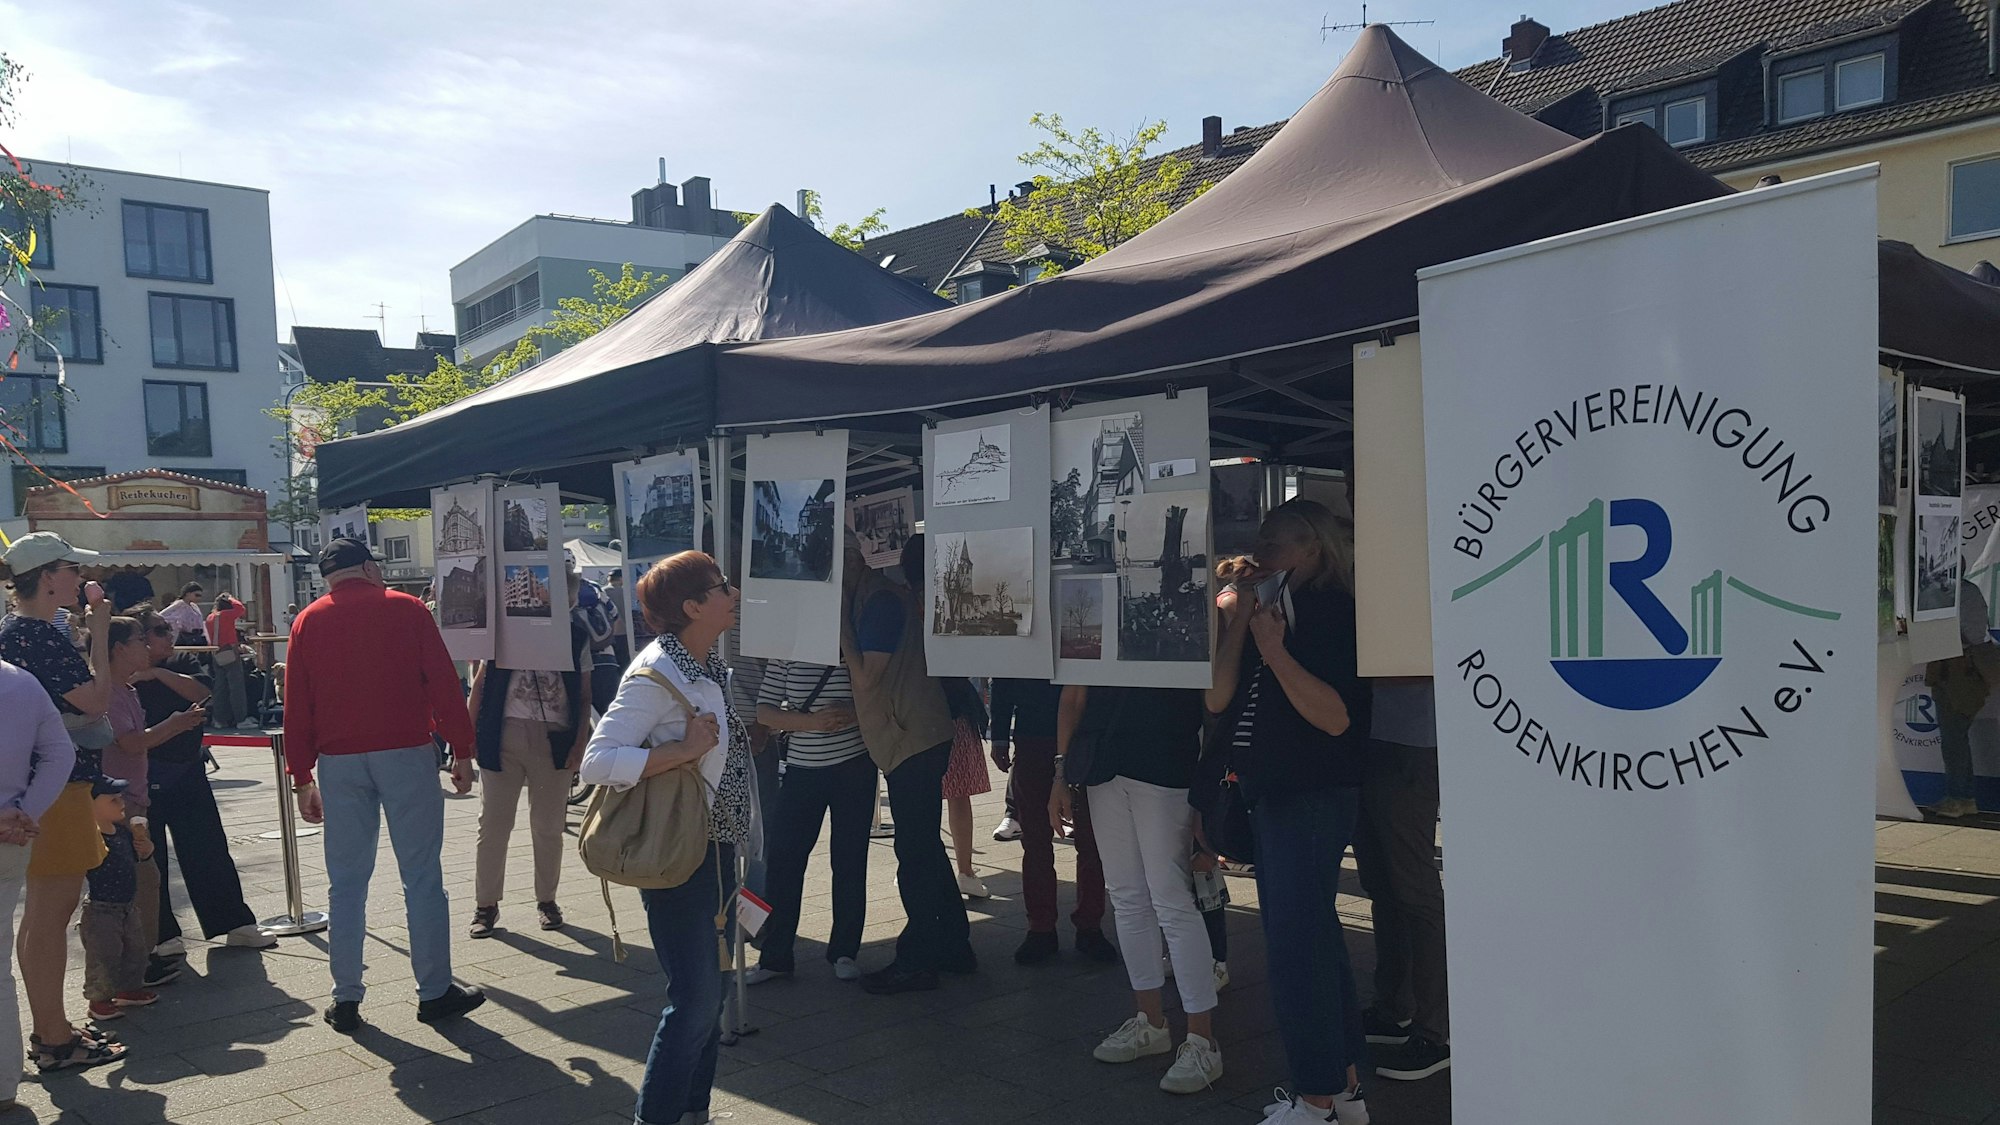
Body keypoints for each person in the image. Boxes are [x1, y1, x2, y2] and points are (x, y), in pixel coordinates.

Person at [1205, 499, 1372, 1125]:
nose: (1258, 552)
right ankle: (1343, 1086)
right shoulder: (1276, 608)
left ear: (1310, 548)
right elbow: (1219, 698)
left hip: (1309, 791)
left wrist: (1274, 648)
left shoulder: (1329, 612)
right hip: (1278, 788)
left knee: (1296, 945)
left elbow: (1335, 716)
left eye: (1272, 543)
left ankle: (1318, 1097)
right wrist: (1244, 619)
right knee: (1316, 939)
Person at [285, 537, 485, 1034]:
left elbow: (297, 704)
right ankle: (434, 990)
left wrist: (301, 776)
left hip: (338, 760)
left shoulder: (308, 620)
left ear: (328, 578)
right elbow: (443, 682)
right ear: (371, 569)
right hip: (405, 752)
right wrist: (462, 750)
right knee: (421, 875)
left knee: (346, 882)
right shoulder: (409, 609)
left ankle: (346, 996)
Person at [579, 551, 752, 1125]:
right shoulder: (656, 674)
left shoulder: (701, 665)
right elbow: (596, 762)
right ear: (693, 607)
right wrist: (679, 751)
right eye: (721, 586)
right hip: (678, 852)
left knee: (717, 992)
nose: (733, 592)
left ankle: (690, 1114)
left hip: (718, 845)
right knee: (696, 999)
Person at [1, 533, 132, 1072]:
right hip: (56, 788)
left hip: (35, 787)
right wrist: (99, 636)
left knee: (40, 914)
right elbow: (99, 699)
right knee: (52, 913)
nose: (79, 579)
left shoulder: (16, 632)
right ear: (48, 577)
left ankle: (50, 1027)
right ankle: (53, 1036)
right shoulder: (37, 636)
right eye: (71, 569)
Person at [1059, 685, 1221, 1093]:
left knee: (1171, 900)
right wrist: (1060, 773)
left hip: (1165, 760)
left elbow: (1213, 696)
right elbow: (1073, 692)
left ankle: (1202, 1040)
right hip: (1107, 762)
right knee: (1128, 897)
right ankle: (1151, 1021)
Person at [842, 534, 971, 994]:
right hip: (914, 733)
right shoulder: (880, 598)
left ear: (851, 563)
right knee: (924, 849)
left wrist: (837, 623)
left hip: (910, 737)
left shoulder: (878, 604)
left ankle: (918, 959)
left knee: (913, 854)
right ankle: (956, 945)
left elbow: (867, 675)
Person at [129, 608, 272, 960]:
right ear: (139, 638)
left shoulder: (182, 660)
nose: (168, 634)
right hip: (142, 774)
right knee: (149, 855)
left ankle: (233, 922)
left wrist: (158, 672)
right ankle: (161, 933)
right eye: (159, 630)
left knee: (207, 848)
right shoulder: (121, 677)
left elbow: (202, 691)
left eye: (167, 628)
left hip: (186, 768)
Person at [467, 562, 594, 938]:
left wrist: (580, 742)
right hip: (503, 734)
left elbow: (584, 694)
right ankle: (486, 904)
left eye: (568, 599)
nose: (564, 605)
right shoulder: (506, 630)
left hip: (554, 736)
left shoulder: (574, 635)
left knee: (549, 825)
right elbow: (480, 684)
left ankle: (547, 899)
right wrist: (465, 735)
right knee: (493, 825)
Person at [747, 658, 873, 983]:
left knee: (849, 860)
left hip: (854, 766)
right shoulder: (787, 651)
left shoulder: (852, 645)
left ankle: (845, 950)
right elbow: (764, 710)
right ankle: (775, 955)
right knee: (784, 861)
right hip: (802, 769)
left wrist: (855, 713)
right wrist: (811, 722)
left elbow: (880, 696)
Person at [1354, 677, 1449, 1081]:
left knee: (1413, 887)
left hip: (1410, 737)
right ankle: (1395, 1007)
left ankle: (1436, 1033)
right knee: (1382, 883)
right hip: (1367, 733)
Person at [990, 677, 1113, 965]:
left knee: (1091, 840)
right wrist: (998, 734)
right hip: (1036, 733)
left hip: (1082, 732)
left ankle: (1086, 924)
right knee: (1036, 838)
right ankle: (1043, 926)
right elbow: (1004, 673)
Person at [0, 656, 79, 1100]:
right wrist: (27, 811)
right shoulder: (21, 681)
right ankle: (3, 1082)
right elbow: (60, 752)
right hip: (13, 832)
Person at [102, 616, 195, 976]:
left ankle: (141, 959)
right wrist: (175, 724)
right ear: (120, 648)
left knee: (146, 879)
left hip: (134, 799)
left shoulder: (125, 689)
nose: (147, 645)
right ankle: (131, 967)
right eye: (141, 638)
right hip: (118, 804)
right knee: (133, 884)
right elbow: (129, 743)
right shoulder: (108, 691)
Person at [79, 776, 156, 1021]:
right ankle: (98, 999)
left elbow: (137, 856)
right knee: (104, 955)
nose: (121, 803)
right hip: (101, 908)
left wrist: (145, 848)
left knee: (136, 950)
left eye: (120, 798)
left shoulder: (122, 831)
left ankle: (129, 989)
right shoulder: (91, 836)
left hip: (128, 906)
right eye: (113, 799)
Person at [1928, 578, 1998, 819]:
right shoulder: (1953, 591)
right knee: (1954, 738)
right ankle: (1961, 797)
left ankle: (1960, 798)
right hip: (1954, 670)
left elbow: (1976, 636)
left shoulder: (1963, 592)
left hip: (1962, 673)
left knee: (1953, 738)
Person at [940, 676, 994, 898]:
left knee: (918, 795)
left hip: (912, 711)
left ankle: (914, 863)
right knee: (959, 795)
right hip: (955, 705)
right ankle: (965, 871)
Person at [205, 593, 251, 730]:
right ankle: (241, 719)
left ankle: (219, 719)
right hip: (229, 651)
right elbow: (241, 609)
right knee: (236, 686)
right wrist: (230, 598)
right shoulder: (226, 615)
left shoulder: (210, 617)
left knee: (220, 687)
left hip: (216, 652)